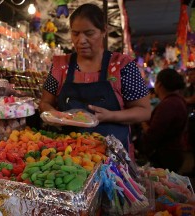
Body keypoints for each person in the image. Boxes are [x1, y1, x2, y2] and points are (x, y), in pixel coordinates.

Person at [39, 3, 151, 152]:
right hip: (68, 155)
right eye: (75, 33)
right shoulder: (60, 65)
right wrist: (54, 116)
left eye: (89, 33)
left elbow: (144, 111)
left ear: (104, 31)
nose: (81, 40)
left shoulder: (122, 65)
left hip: (113, 157)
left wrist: (110, 116)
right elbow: (45, 103)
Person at [141, 69, 188, 172]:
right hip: (174, 153)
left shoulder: (169, 105)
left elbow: (152, 134)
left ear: (160, 84)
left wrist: (142, 120)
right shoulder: (177, 100)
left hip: (166, 157)